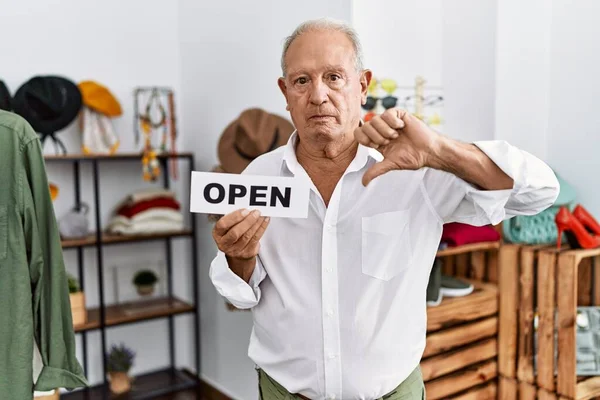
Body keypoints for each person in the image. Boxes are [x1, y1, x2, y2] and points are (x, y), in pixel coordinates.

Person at [209, 18, 559, 400]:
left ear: (362, 85)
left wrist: (439, 151)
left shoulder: (417, 168)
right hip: (282, 392)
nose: (318, 95)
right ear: (286, 92)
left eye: (334, 77)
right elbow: (240, 296)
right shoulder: (258, 175)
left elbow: (539, 191)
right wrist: (238, 259)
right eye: (302, 80)